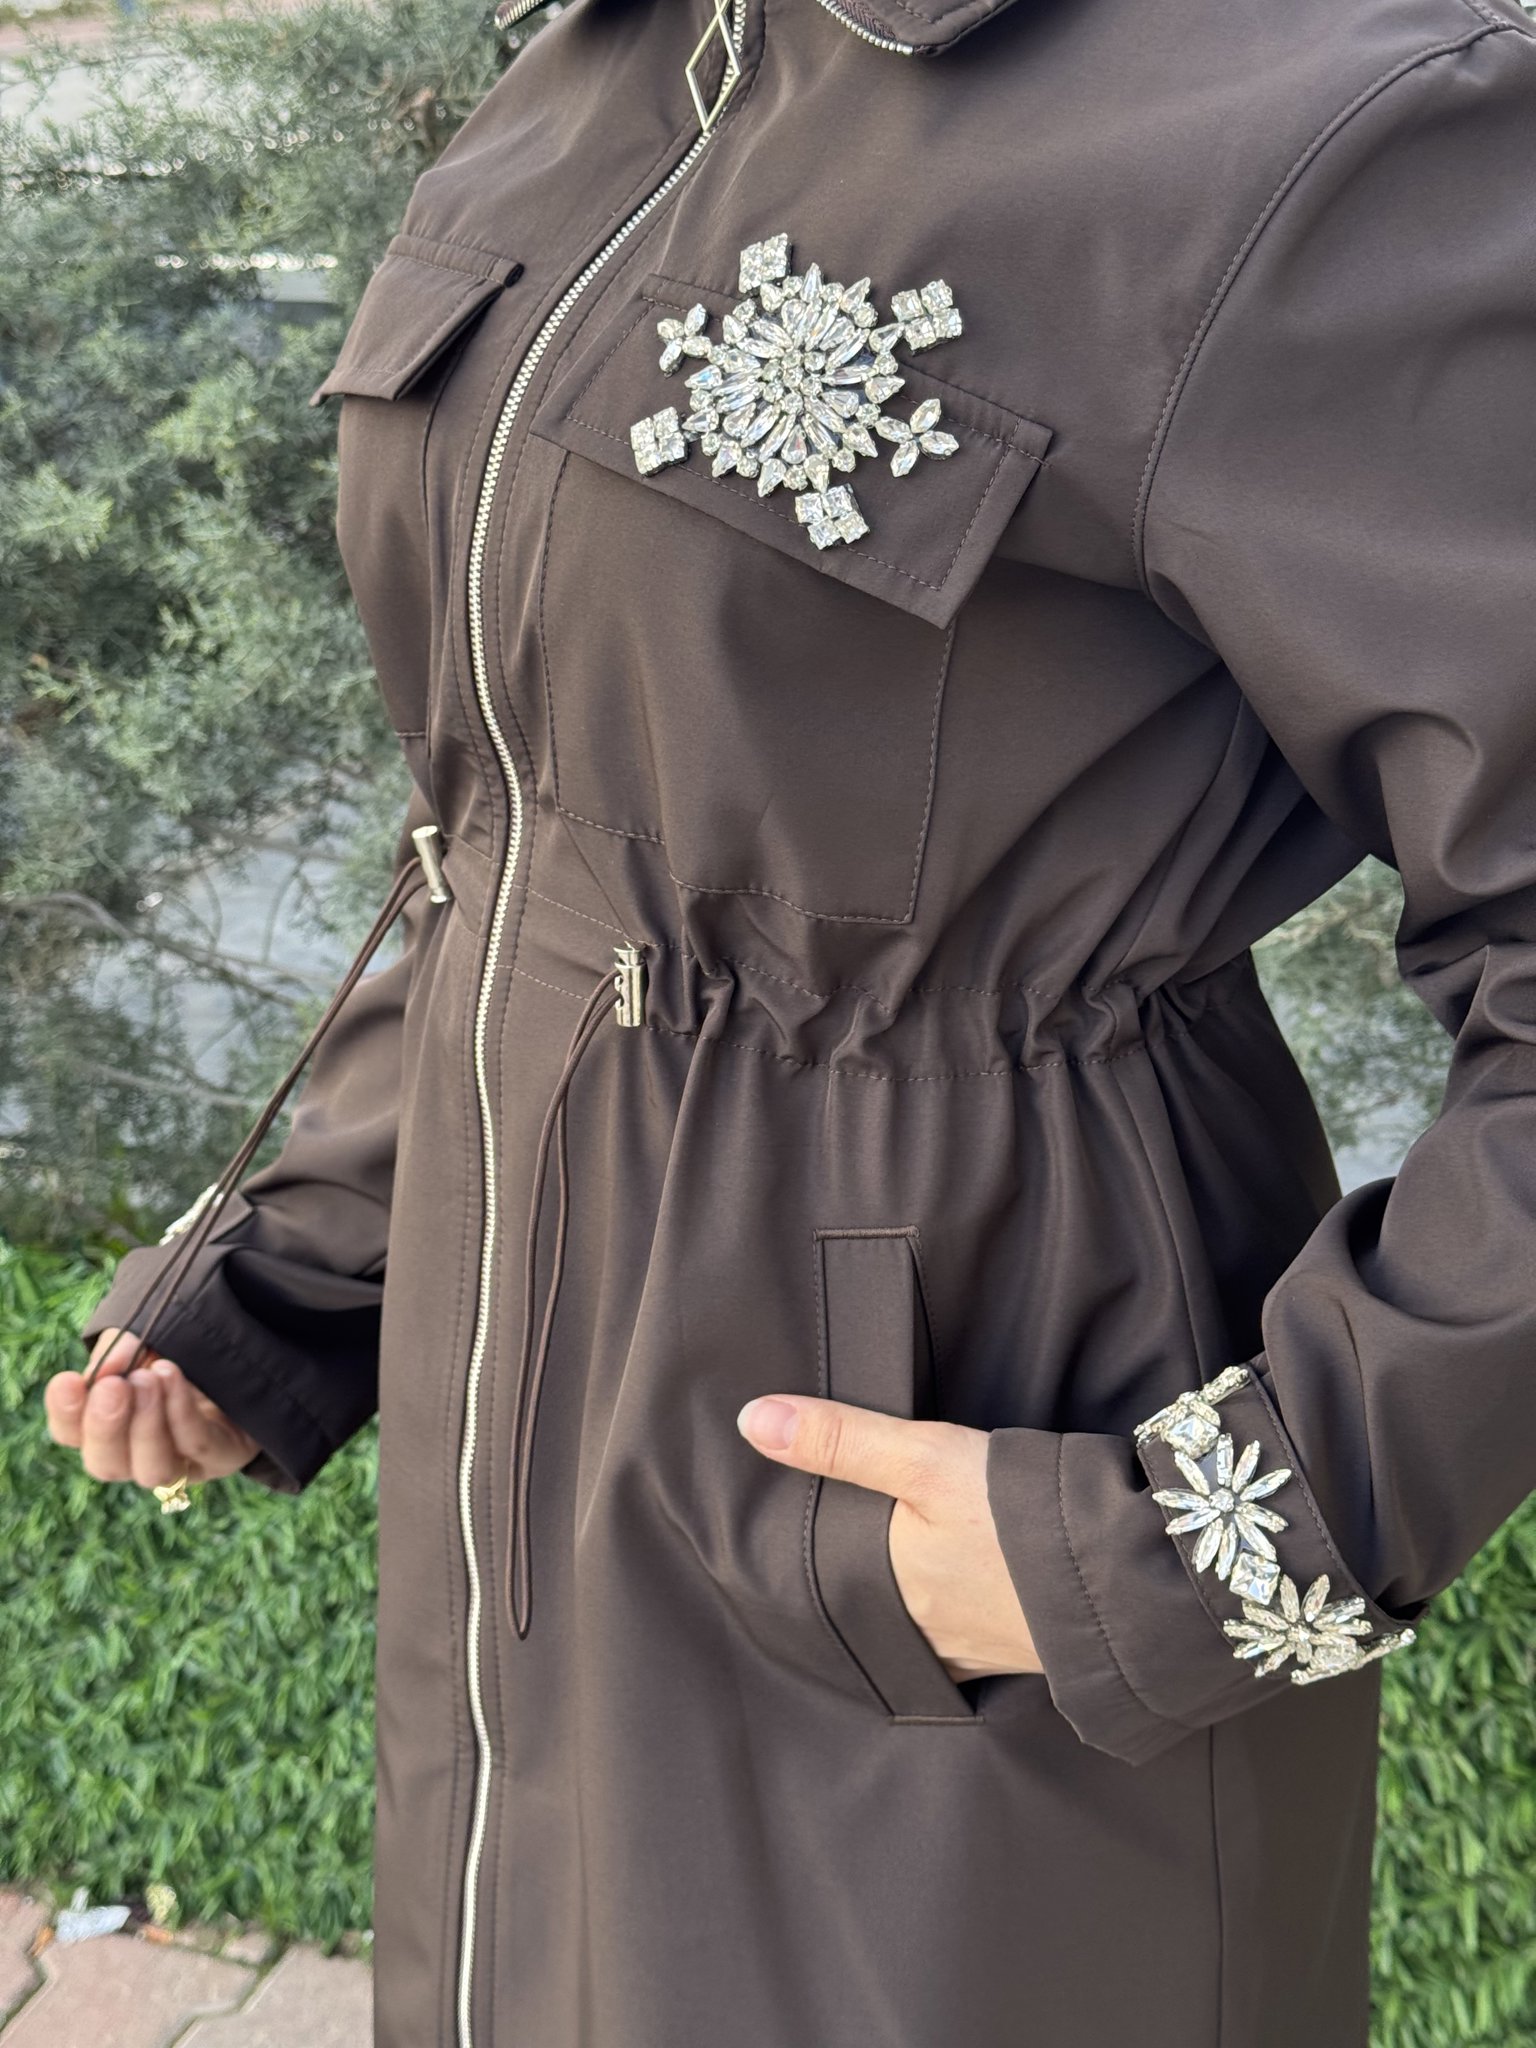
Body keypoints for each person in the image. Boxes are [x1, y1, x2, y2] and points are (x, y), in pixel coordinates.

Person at [46, 0, 1536, 2036]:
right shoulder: (607, 64)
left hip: (966, 1574)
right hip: (527, 1534)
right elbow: (539, 832)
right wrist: (299, 1268)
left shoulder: (1326, 120)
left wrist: (1199, 1548)